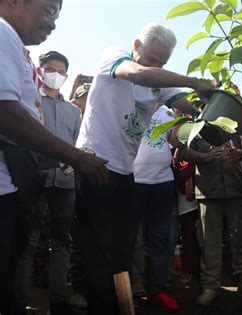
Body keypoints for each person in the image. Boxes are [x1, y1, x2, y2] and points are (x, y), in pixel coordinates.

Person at [74, 23, 213, 315]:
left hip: (127, 174)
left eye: (162, 63)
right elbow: (138, 74)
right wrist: (193, 80)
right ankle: (100, 306)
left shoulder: (161, 81)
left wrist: (211, 104)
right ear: (136, 46)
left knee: (122, 251)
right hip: (95, 164)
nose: (156, 66)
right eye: (151, 59)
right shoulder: (115, 57)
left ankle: (120, 303)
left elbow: (187, 106)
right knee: (97, 249)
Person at [0, 1, 108, 314]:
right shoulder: (4, 33)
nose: (53, 23)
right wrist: (75, 156)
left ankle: (54, 298)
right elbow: (5, 114)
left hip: (22, 182)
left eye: (57, 15)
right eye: (48, 11)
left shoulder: (14, 44)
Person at [178, 128, 242, 307]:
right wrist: (204, 157)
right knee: (208, 241)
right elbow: (183, 152)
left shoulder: (236, 125)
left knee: (241, 238)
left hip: (236, 189)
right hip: (208, 191)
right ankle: (210, 286)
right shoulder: (197, 125)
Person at [132, 102, 180, 312]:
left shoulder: (167, 112)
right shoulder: (129, 106)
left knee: (160, 239)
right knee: (133, 238)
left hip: (163, 181)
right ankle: (134, 284)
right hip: (133, 181)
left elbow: (175, 141)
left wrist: (179, 122)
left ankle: (158, 289)